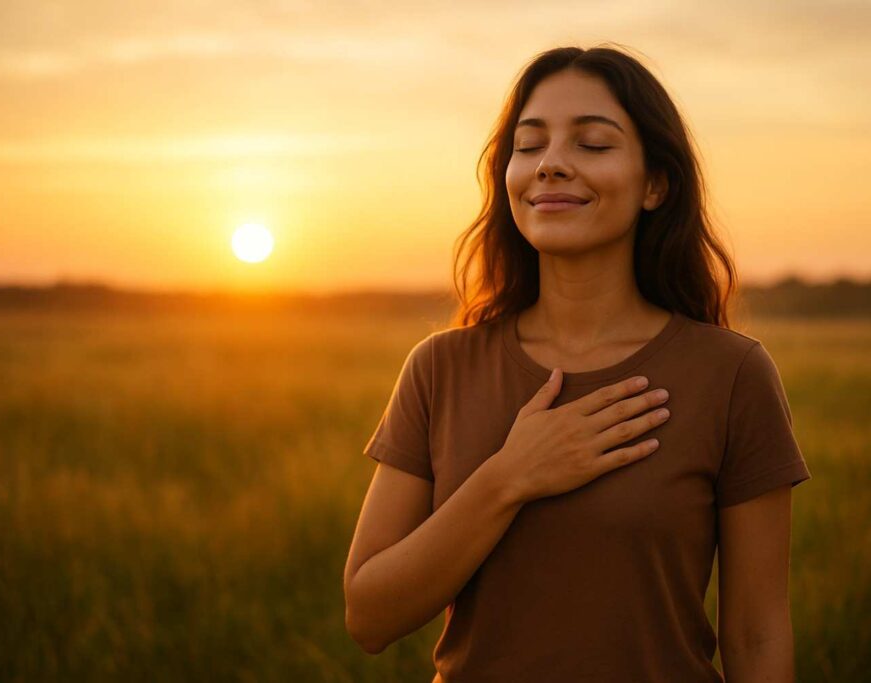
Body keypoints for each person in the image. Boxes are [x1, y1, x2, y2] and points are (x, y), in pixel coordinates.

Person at [344, 43, 811, 682]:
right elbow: (369, 616)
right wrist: (509, 476)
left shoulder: (729, 374)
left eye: (592, 145)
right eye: (529, 145)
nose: (552, 165)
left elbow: (757, 636)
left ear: (656, 184)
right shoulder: (440, 368)